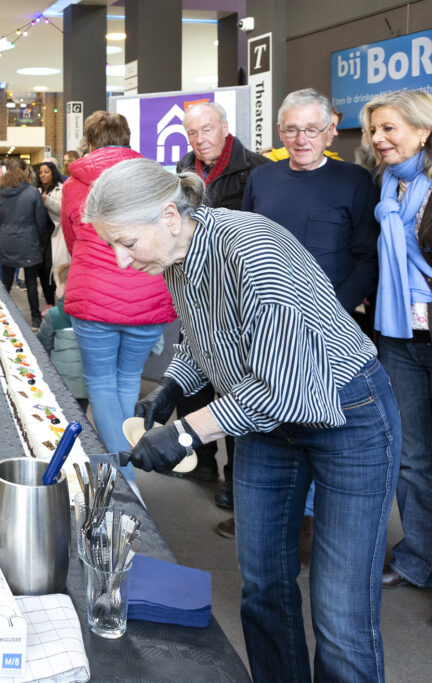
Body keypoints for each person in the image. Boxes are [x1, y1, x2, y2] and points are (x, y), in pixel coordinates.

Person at [88, 157, 398, 682]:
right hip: (264, 424)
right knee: (263, 586)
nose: (121, 261)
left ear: (168, 214)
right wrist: (174, 387)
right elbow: (202, 333)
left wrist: (186, 432)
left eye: (126, 242)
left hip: (348, 416)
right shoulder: (178, 254)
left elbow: (282, 386)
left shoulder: (251, 249)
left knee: (341, 612)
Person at [242, 88, 380, 553]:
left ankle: (315, 521)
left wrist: (333, 312)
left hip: (332, 332)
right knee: (273, 422)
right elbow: (240, 249)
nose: (302, 139)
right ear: (280, 132)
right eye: (293, 129)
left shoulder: (355, 182)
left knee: (327, 424)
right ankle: (286, 515)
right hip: (265, 330)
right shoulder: (261, 180)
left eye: (312, 129)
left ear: (330, 131)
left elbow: (366, 256)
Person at [61, 111, 175, 489]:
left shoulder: (75, 184)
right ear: (127, 138)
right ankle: (125, 459)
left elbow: (71, 241)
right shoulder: (153, 180)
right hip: (149, 291)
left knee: (100, 383)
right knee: (128, 381)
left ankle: (123, 474)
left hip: (94, 295)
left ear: (89, 142)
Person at [173, 101, 269, 510]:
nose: (200, 139)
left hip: (236, 296)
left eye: (207, 130)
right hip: (194, 290)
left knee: (235, 385)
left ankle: (234, 476)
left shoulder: (257, 170)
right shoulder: (182, 170)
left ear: (226, 127)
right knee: (193, 378)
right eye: (193, 133)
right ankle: (203, 461)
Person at [361, 90, 432, 592]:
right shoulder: (385, 185)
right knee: (413, 457)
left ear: (424, 130)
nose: (379, 139)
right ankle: (419, 559)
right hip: (399, 337)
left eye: (390, 128)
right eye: (374, 130)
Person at [0, 159, 50, 328]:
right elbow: (41, 222)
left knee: (6, 281)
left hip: (7, 240)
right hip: (28, 242)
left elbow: (0, 218)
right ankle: (35, 318)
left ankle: (0, 316)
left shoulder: (1, 192)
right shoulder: (33, 192)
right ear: (25, 171)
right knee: (31, 282)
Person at [36, 264, 88, 412]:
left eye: (57, 285)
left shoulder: (54, 315)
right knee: (80, 417)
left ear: (64, 287)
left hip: (59, 381)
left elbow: (42, 345)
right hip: (85, 385)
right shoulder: (93, 316)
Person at [37, 160, 64, 298]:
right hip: (40, 235)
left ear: (53, 173)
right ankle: (48, 302)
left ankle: (55, 297)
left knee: (51, 268)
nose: (43, 175)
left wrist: (47, 200)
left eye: (46, 172)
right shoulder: (36, 190)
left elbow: (62, 210)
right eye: (40, 172)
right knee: (40, 268)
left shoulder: (61, 188)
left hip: (55, 233)